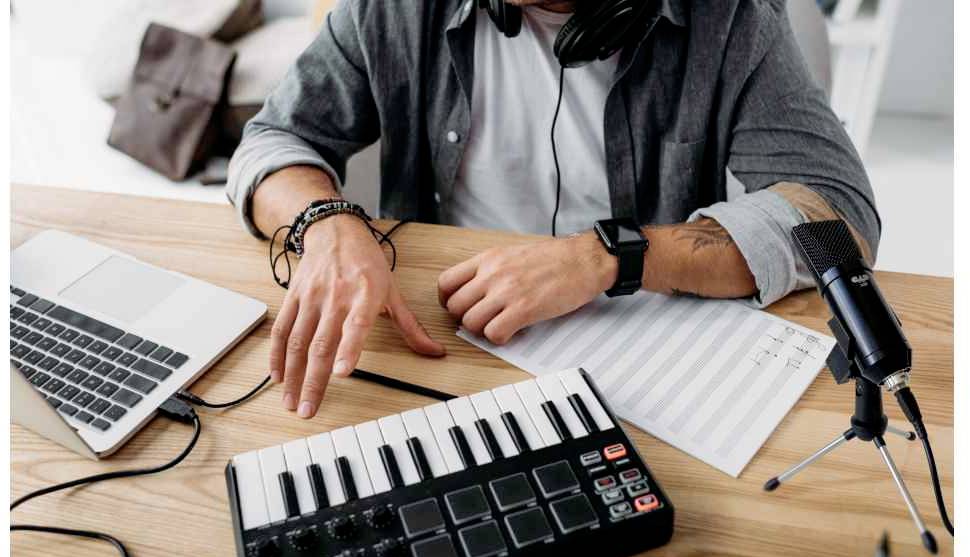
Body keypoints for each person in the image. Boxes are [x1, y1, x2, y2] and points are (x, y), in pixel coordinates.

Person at [227, 0, 878, 419]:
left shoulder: (732, 18)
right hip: (447, 342)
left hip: (637, 361)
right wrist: (328, 226)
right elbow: (274, 142)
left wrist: (610, 256)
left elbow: (836, 216)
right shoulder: (397, 8)